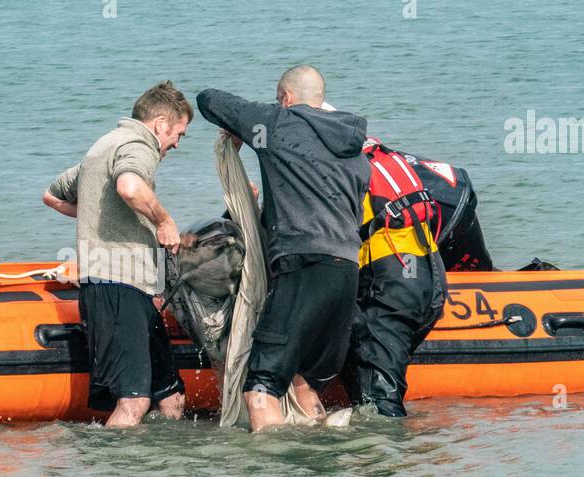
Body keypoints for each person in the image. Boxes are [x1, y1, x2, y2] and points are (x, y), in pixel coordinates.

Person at [196, 65, 371, 432]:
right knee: (303, 380)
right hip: (345, 273)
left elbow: (209, 100)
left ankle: (274, 475)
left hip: (304, 267)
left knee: (260, 388)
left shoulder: (278, 123)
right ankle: (316, 457)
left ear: (286, 98)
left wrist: (244, 130)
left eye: (281, 100)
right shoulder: (355, 151)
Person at [42, 81, 191, 428]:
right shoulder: (139, 146)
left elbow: (51, 195)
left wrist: (100, 214)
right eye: (178, 133)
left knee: (171, 397)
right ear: (159, 124)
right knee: (134, 402)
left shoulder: (102, 146)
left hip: (128, 287)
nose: (177, 143)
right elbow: (129, 187)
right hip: (117, 285)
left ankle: (156, 476)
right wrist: (164, 221)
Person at [340, 138, 449, 420]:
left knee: (379, 399)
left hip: (390, 277)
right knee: (368, 371)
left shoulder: (334, 163)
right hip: (430, 275)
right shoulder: (384, 157)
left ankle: (387, 457)